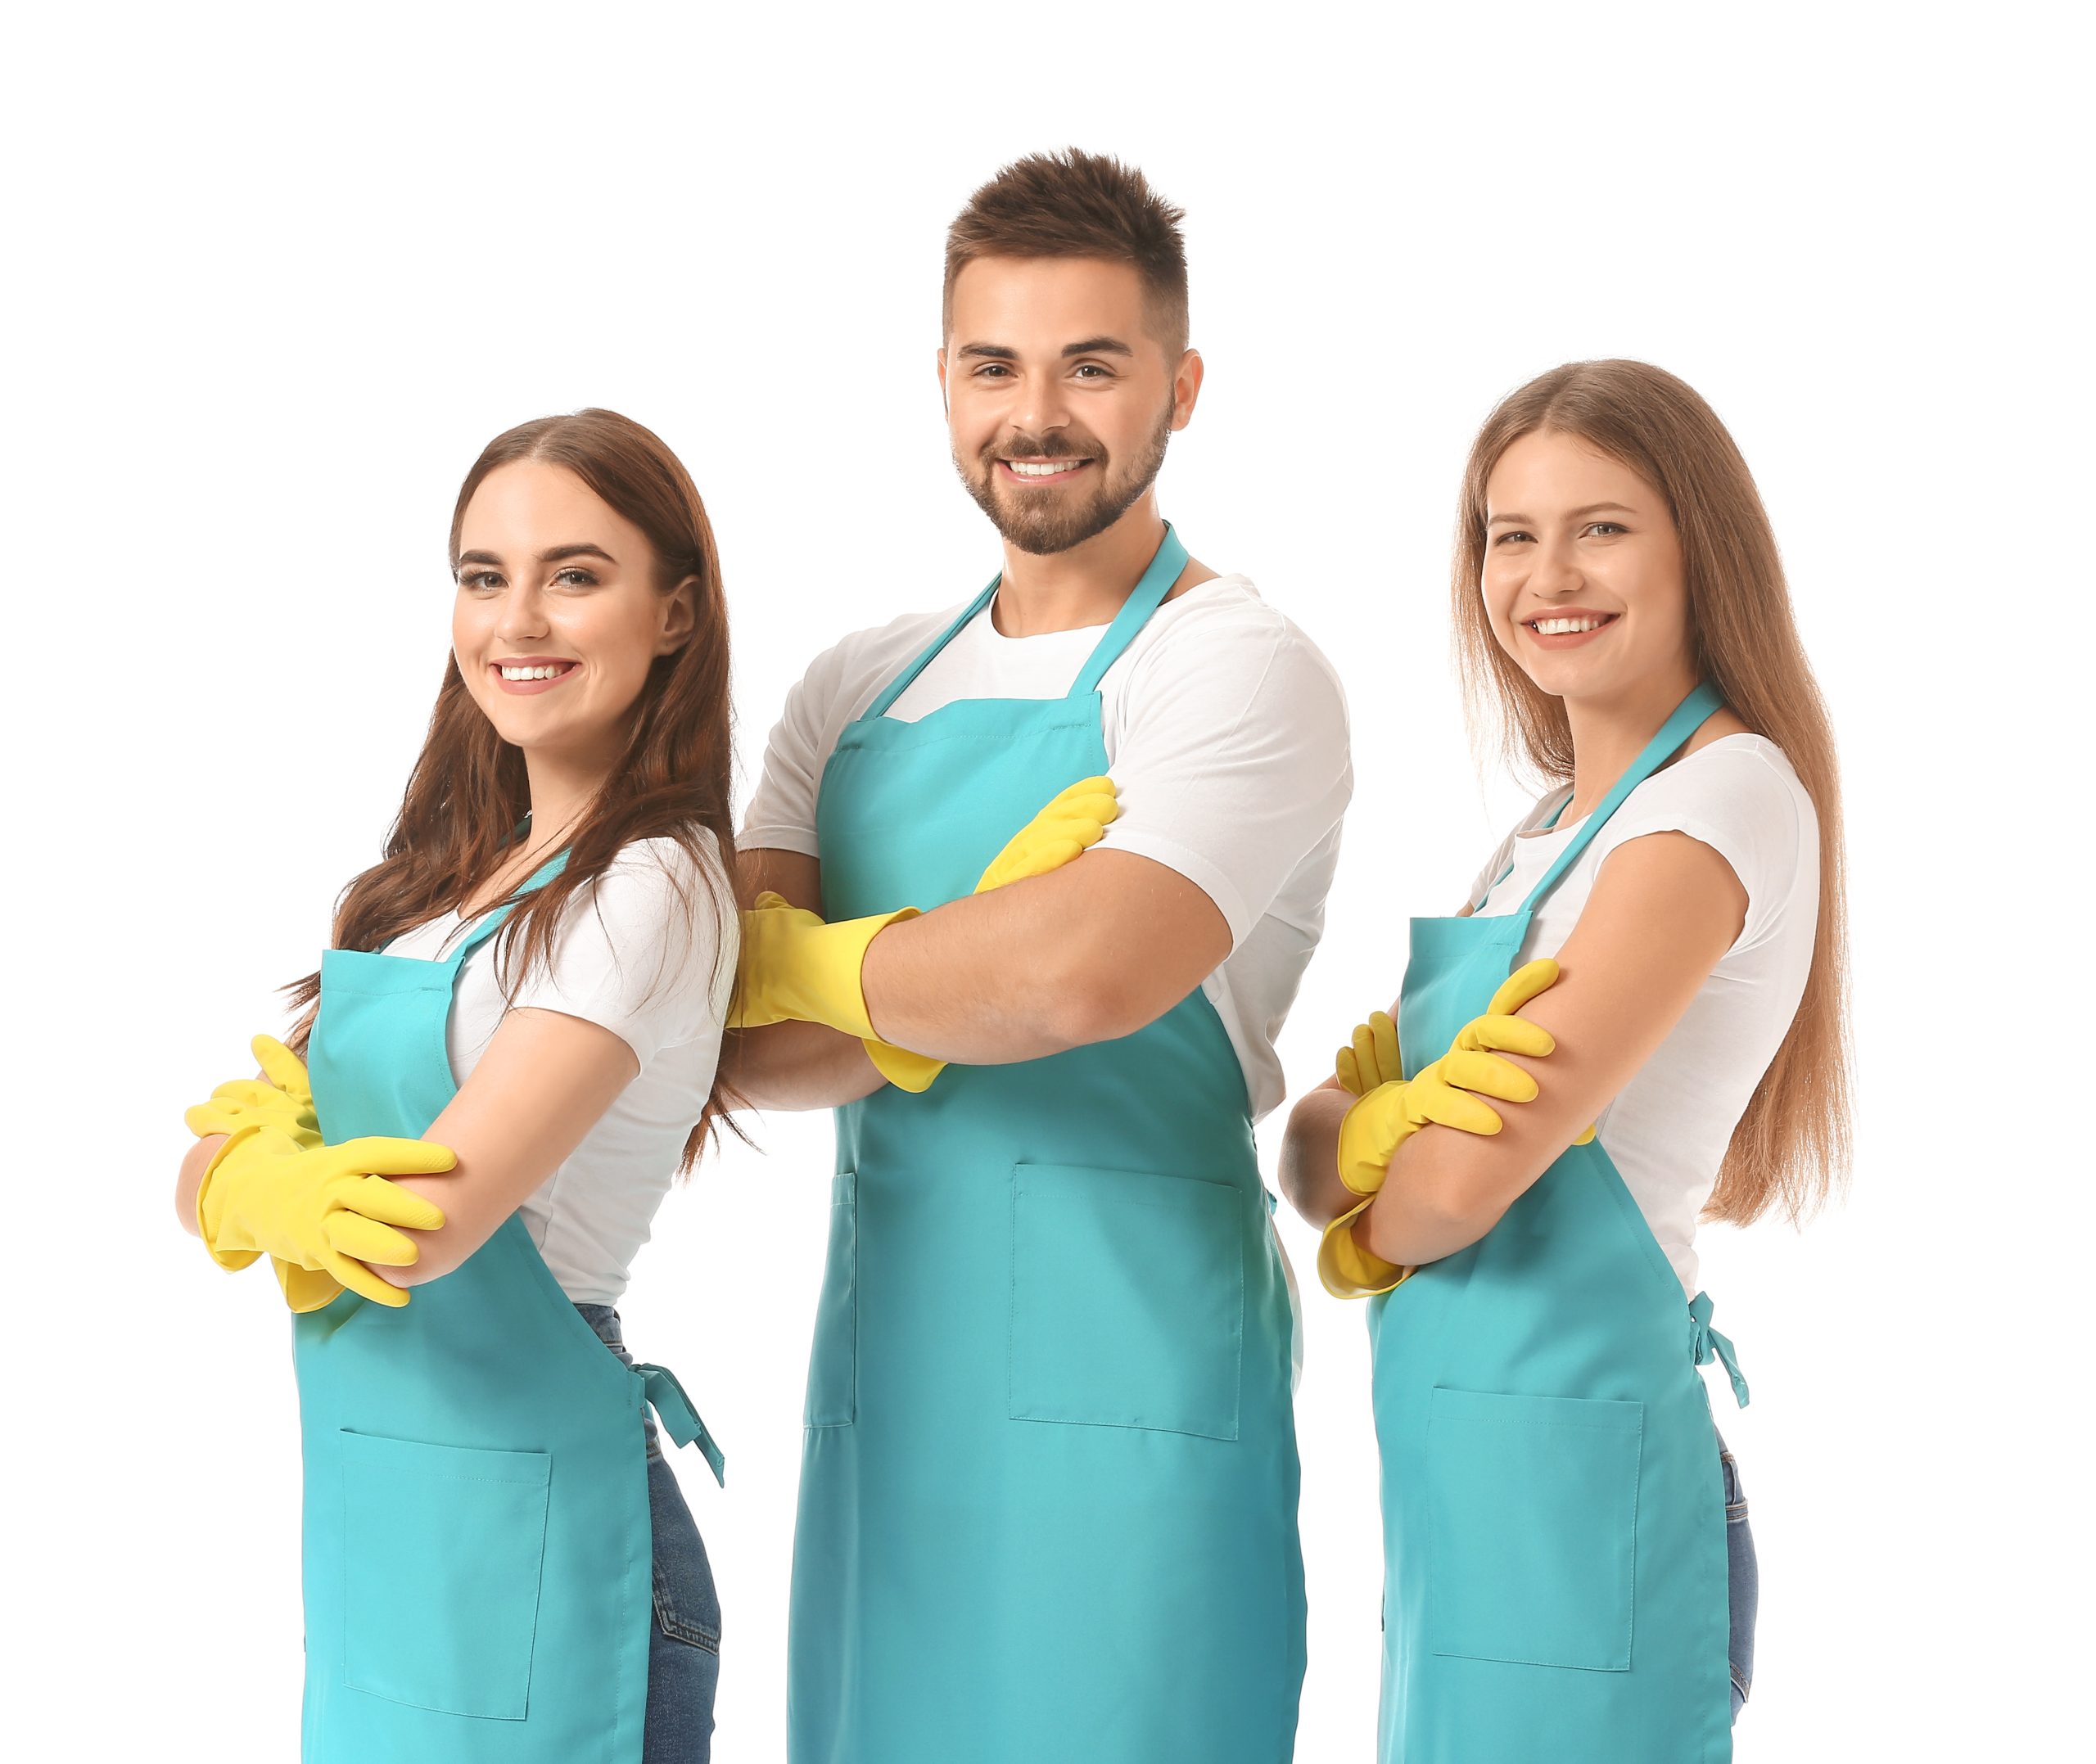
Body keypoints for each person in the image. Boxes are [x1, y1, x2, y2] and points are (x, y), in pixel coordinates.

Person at [727, 150, 1352, 1764]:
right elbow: (728, 1030)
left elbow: (1084, 978)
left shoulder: (1232, 665)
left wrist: (829, 961)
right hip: (893, 1407)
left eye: (1092, 364)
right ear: (941, 383)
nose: (1037, 412)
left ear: (1179, 385)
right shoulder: (851, 688)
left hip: (1127, 1409)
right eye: (993, 364)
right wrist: (947, 976)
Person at [1281, 359, 1850, 1762]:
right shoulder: (1542, 839)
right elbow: (1304, 1142)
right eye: (1507, 532)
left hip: (1594, 1514)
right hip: (1470, 1509)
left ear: (1695, 546)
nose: (1548, 573)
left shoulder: (1719, 801)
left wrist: (1378, 1167)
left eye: (1602, 526)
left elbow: (1456, 1192)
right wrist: (1361, 1149)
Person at [174, 410, 743, 1762]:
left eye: (576, 574)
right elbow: (193, 1172)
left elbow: (433, 1223)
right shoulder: (423, 893)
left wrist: (269, 1189)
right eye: (484, 575)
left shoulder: (654, 883)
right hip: (391, 1540)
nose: (517, 618)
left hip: (548, 1548)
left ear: (673, 613)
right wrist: (250, 1176)